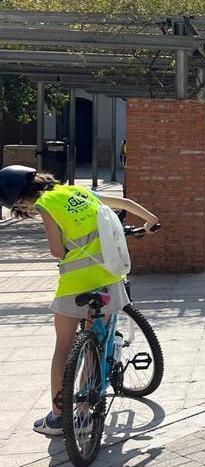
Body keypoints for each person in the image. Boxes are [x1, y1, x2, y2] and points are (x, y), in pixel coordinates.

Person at [0, 165, 159, 437]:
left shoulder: (46, 204)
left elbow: (56, 250)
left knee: (63, 347)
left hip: (75, 283)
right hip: (109, 277)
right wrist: (150, 219)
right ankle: (85, 413)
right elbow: (123, 202)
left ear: (18, 197)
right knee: (94, 343)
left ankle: (59, 417)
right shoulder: (78, 191)